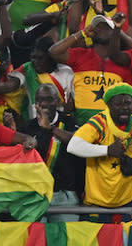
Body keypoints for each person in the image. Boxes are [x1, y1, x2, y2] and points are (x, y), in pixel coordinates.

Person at [66, 83, 132, 209]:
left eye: (128, 103)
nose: (124, 108)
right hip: (97, 202)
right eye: (118, 104)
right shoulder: (99, 123)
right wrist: (107, 150)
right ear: (108, 105)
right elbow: (73, 146)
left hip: (127, 200)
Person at [48, 14, 132, 126]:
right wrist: (82, 33)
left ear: (114, 32)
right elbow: (53, 52)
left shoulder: (122, 62)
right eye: (97, 26)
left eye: (104, 26)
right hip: (80, 126)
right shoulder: (81, 55)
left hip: (111, 128)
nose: (98, 29)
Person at [15, 84, 84, 217]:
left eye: (49, 99)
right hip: (35, 194)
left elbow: (77, 142)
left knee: (66, 236)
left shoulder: (69, 121)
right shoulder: (28, 126)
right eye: (40, 99)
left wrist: (51, 128)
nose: (44, 104)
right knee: (36, 237)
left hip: (64, 195)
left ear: (57, 101)